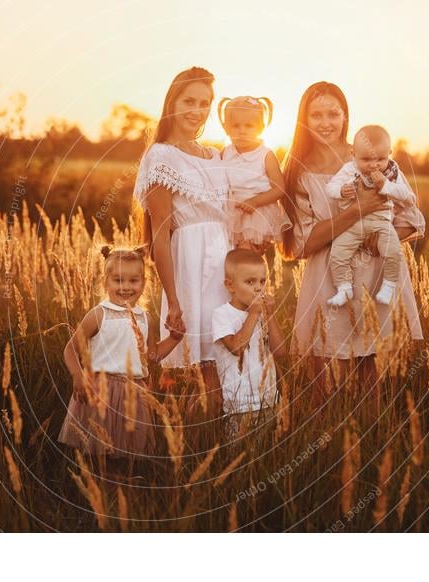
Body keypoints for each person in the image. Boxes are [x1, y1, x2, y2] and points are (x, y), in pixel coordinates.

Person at [280, 82, 425, 413]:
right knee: (321, 376)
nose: (326, 122)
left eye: (333, 113)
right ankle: (322, 447)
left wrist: (379, 238)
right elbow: (303, 244)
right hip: (325, 275)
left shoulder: (371, 158)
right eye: (315, 114)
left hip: (371, 273)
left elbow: (413, 218)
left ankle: (367, 443)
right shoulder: (298, 172)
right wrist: (356, 210)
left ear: (346, 116)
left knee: (367, 373)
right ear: (303, 119)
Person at [133, 66, 230, 418]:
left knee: (226, 364)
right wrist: (174, 299)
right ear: (172, 101)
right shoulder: (161, 156)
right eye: (189, 100)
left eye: (205, 103)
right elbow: (160, 235)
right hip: (192, 264)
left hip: (225, 265)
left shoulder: (215, 155)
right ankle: (191, 449)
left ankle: (222, 442)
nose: (197, 110)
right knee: (203, 373)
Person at [58, 245, 183, 475]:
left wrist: (174, 339)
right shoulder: (99, 314)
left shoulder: (144, 318)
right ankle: (99, 496)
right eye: (118, 280)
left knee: (127, 458)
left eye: (133, 280)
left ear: (144, 283)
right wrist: (78, 376)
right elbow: (70, 350)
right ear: (106, 282)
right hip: (101, 391)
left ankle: (124, 496)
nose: (125, 287)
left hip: (134, 393)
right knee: (98, 454)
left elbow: (151, 357)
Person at [324, 125, 419, 306]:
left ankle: (388, 287)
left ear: (390, 153)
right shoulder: (349, 170)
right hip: (353, 223)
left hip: (381, 222)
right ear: (353, 154)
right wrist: (342, 191)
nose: (374, 165)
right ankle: (344, 288)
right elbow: (330, 187)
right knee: (337, 254)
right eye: (366, 159)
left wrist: (386, 185)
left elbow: (409, 198)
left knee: (393, 253)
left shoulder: (392, 172)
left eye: (381, 159)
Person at [211, 249, 286, 438]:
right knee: (241, 457)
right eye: (250, 282)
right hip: (240, 405)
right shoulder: (222, 315)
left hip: (269, 400)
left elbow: (280, 352)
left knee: (267, 456)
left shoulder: (263, 314)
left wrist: (271, 315)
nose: (258, 288)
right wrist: (253, 314)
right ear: (230, 285)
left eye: (262, 281)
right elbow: (236, 348)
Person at [218, 96, 290, 254]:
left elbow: (279, 189)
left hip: (256, 214)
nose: (242, 131)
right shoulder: (225, 153)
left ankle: (254, 278)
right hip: (233, 213)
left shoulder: (265, 155)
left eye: (249, 126)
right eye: (236, 125)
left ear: (261, 127)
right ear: (226, 128)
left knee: (248, 255)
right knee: (230, 259)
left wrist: (255, 202)